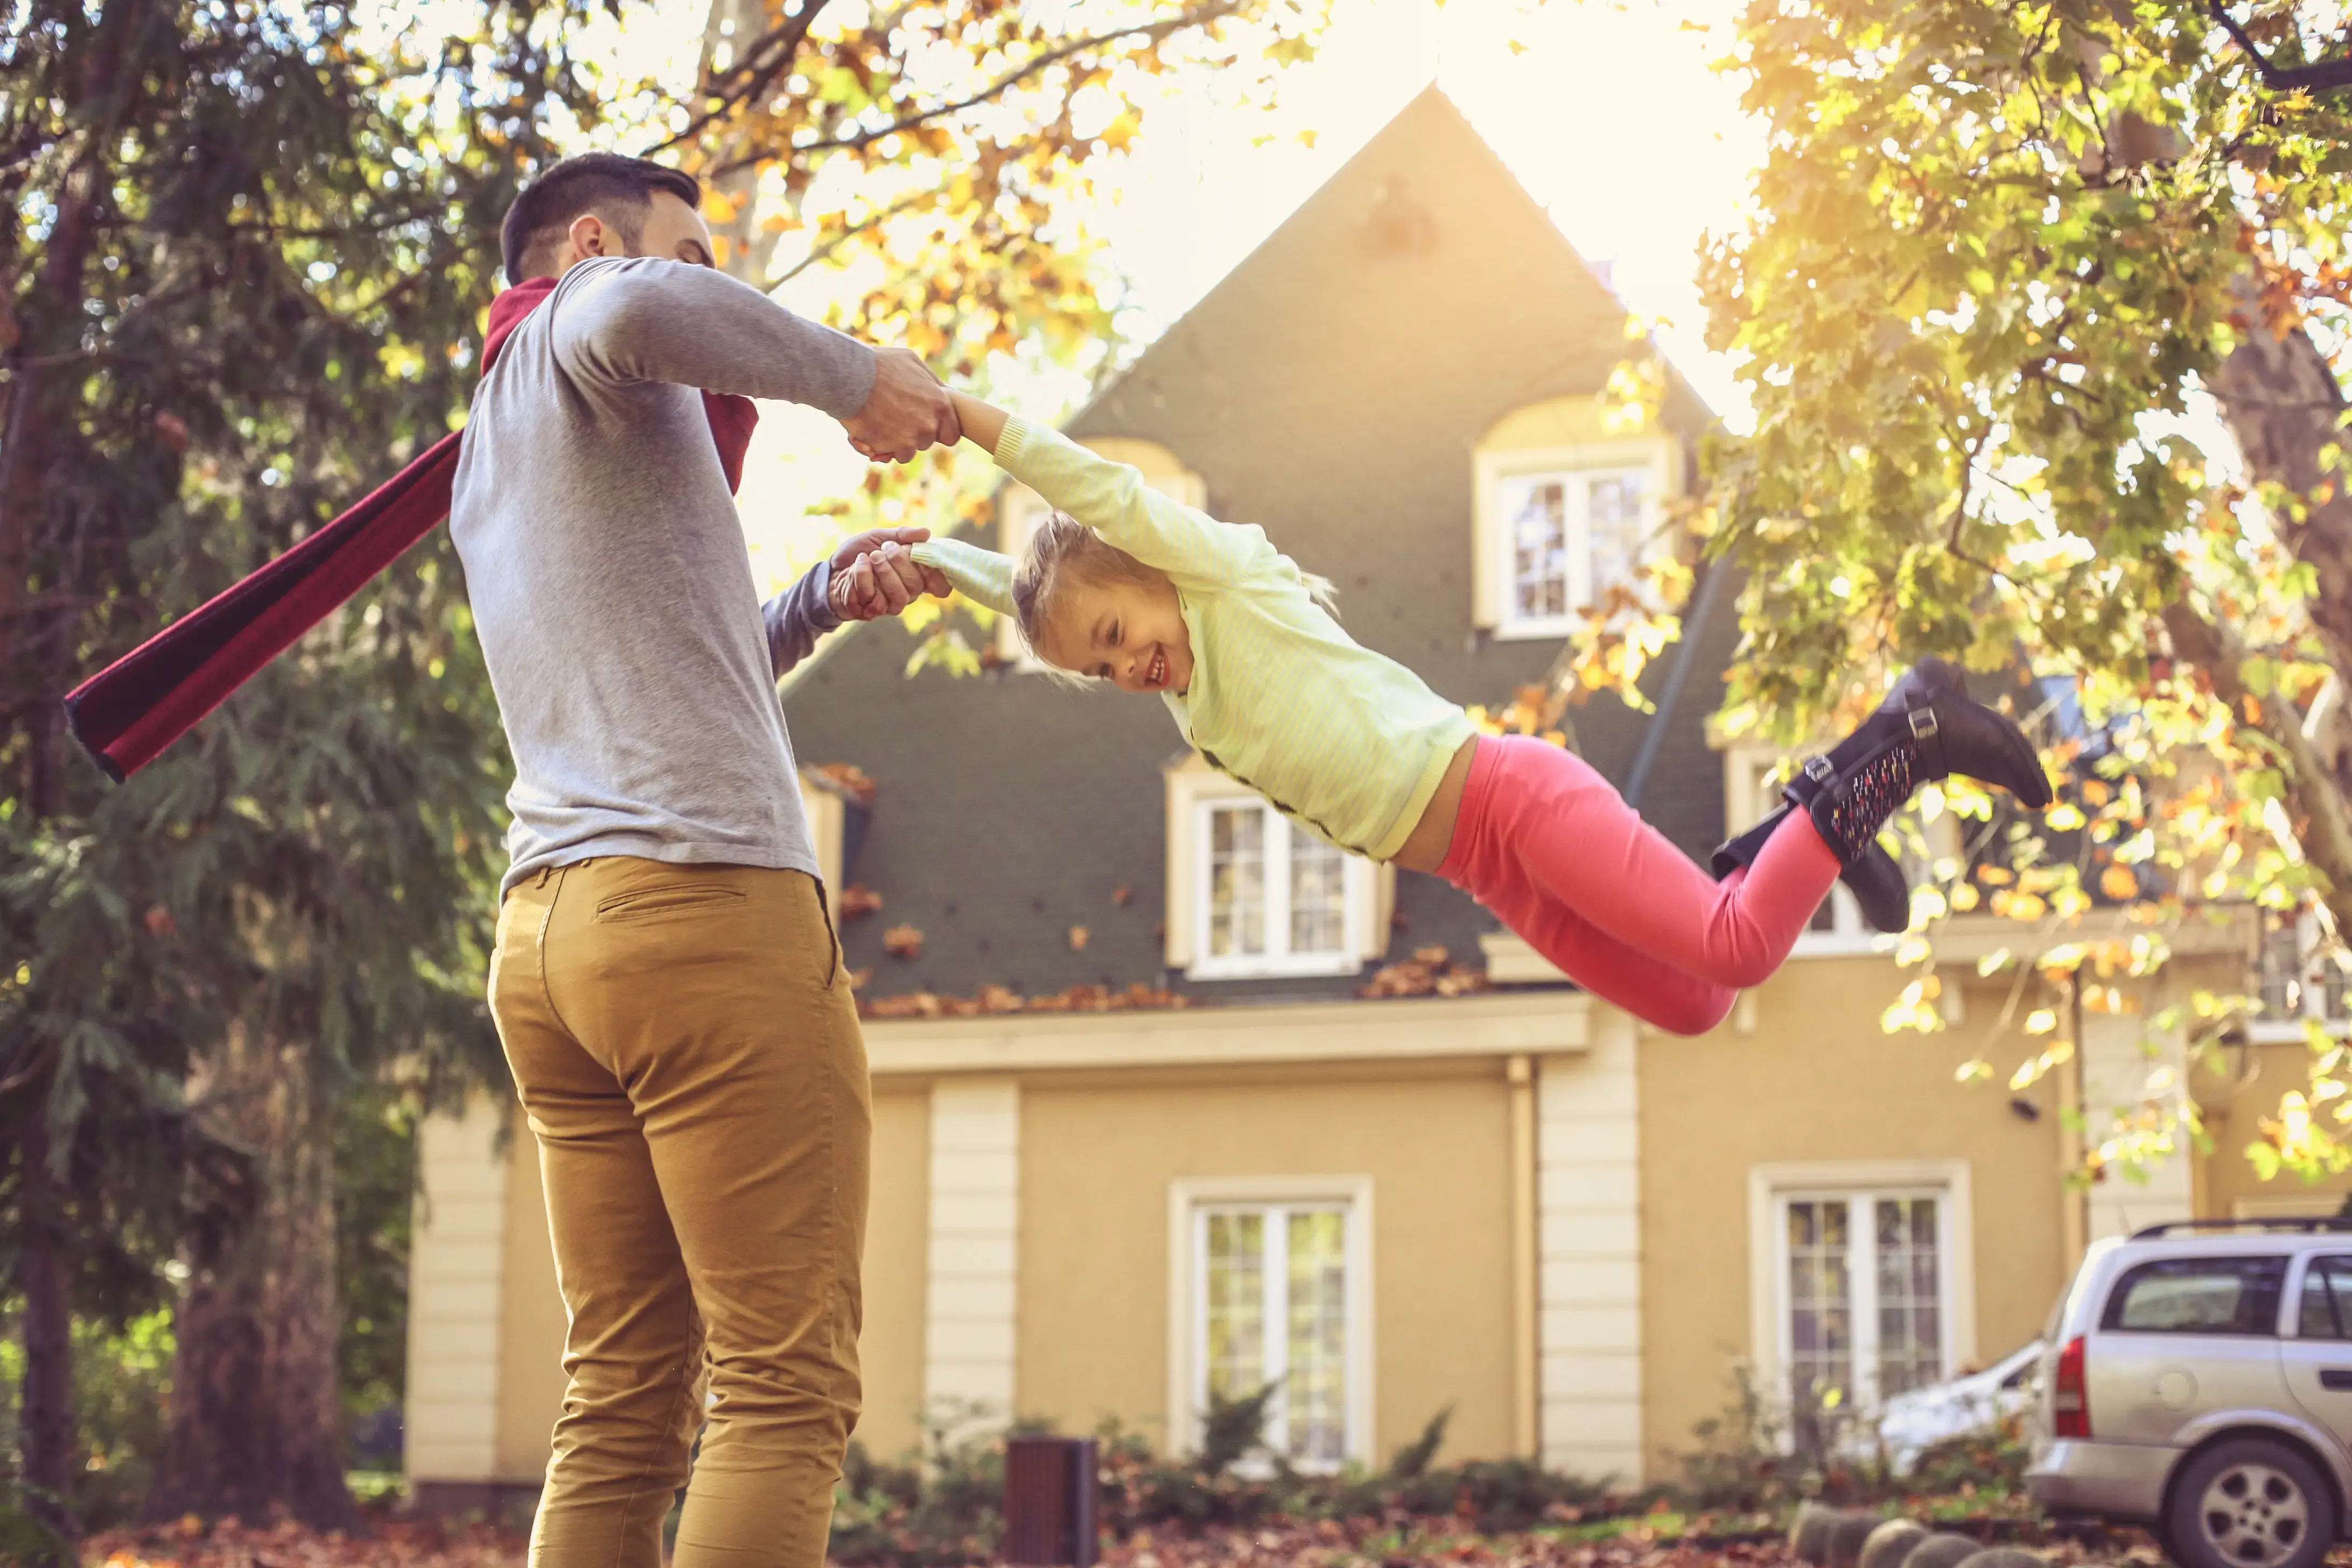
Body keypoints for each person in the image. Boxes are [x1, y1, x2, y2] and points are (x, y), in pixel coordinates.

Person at [902, 390, 2054, 1036]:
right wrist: (926, 559)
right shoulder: (1194, 706)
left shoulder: (1225, 579)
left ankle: (1911, 733)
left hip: (1509, 795)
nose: (1125, 668)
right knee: (1696, 1004)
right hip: (1484, 868)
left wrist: (963, 419)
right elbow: (1034, 594)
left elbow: (1094, 497)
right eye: (1100, 675)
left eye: (1117, 637)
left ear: (1151, 568)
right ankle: (1789, 839)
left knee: (1738, 947)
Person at [449, 153, 955, 1568]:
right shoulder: (589, 319)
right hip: (700, 914)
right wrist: (859, 376)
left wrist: (815, 599)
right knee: (783, 1388)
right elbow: (635, 307)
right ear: (596, 243)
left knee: (619, 1401)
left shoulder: (500, 444)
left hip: (553, 940)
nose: (709, 286)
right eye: (693, 254)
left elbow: (681, 659)